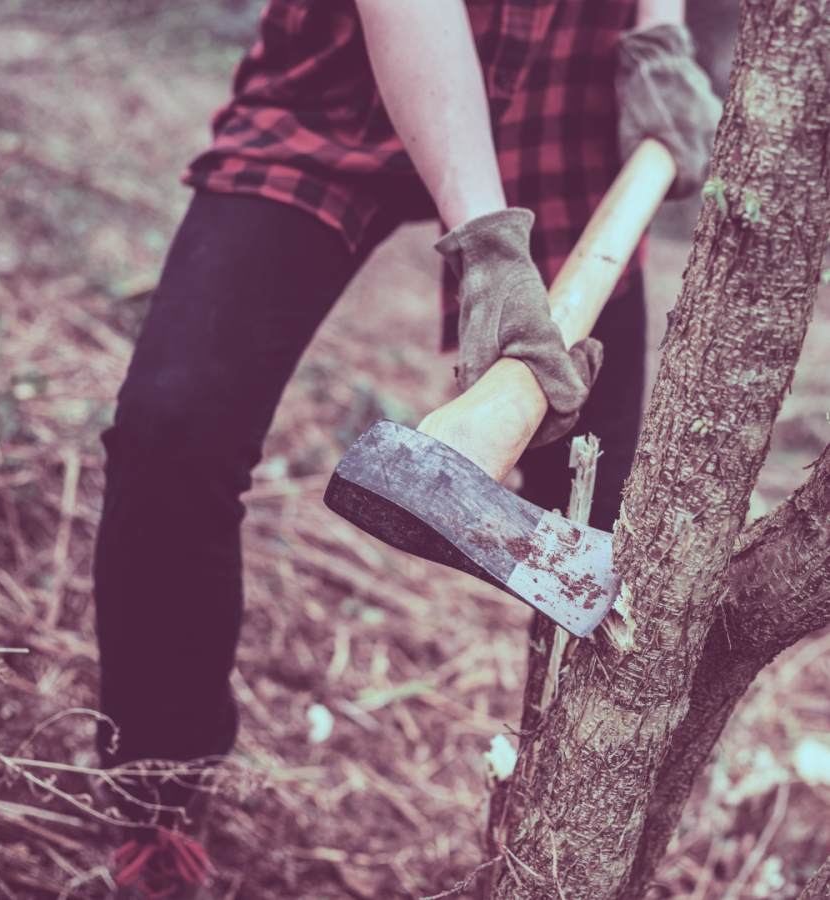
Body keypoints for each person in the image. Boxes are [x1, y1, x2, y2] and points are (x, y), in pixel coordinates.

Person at [92, 0, 721, 895]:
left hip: (569, 67)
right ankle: (159, 794)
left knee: (606, 510)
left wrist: (658, 27)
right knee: (174, 428)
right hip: (351, 66)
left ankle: (580, 848)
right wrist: (489, 243)